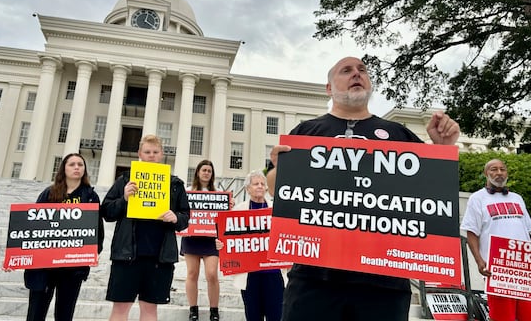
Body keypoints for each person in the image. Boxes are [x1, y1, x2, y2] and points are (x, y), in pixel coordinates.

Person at [267, 57, 461, 321]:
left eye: (362, 70)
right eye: (346, 71)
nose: (356, 74)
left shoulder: (399, 135)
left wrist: (442, 150)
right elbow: (277, 192)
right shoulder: (305, 132)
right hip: (314, 280)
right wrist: (280, 168)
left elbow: (433, 196)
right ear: (328, 88)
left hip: (384, 286)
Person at [101, 134, 190, 321]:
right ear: (139, 153)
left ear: (162, 154)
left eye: (155, 152)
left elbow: (185, 218)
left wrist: (176, 217)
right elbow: (107, 212)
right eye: (147, 152)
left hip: (159, 256)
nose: (151, 155)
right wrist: (124, 199)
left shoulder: (175, 184)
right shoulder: (125, 180)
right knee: (120, 309)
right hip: (127, 256)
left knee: (150, 310)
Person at [23, 153, 104, 321]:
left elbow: (97, 230)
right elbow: (33, 225)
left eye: (80, 165)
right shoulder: (49, 193)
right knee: (35, 312)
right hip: (44, 265)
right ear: (63, 169)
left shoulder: (90, 196)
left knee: (65, 313)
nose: (76, 167)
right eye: (72, 164)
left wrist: (91, 252)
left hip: (73, 266)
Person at [461, 159, 531, 321]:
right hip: (497, 269)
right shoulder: (477, 199)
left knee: (527, 314)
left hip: (523, 268)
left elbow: (527, 230)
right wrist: (479, 260)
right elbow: (472, 232)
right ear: (486, 173)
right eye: (494, 169)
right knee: (502, 316)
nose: (499, 173)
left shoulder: (517, 198)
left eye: (502, 169)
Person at [226, 169, 284, 321]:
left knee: (276, 316)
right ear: (247, 189)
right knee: (253, 316)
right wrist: (221, 244)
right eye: (255, 183)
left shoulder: (277, 210)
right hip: (249, 275)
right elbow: (228, 239)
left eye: (262, 184)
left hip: (274, 274)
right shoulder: (238, 210)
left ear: (266, 188)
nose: (259, 186)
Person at [180, 160, 221, 321]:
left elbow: (224, 215)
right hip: (192, 237)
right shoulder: (187, 191)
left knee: (212, 274)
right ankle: (193, 309)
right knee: (192, 273)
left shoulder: (218, 193)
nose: (206, 173)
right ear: (197, 172)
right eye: (204, 170)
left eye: (209, 171)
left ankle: (214, 310)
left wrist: (229, 205)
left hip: (211, 239)